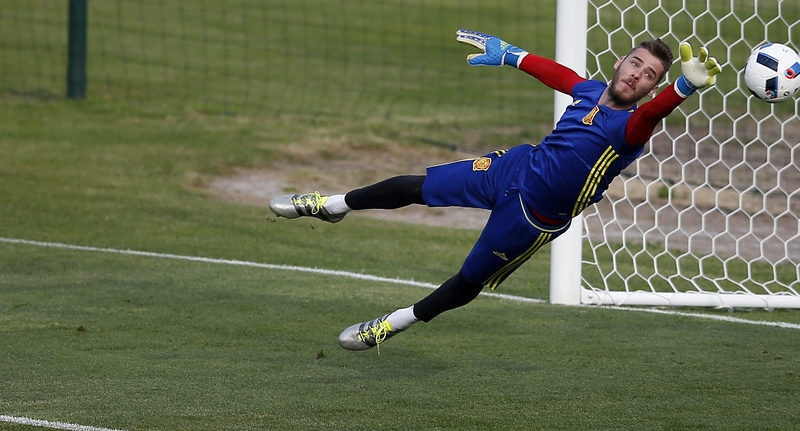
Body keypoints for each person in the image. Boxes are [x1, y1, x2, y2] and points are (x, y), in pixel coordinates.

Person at [270, 29, 721, 351]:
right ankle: (332, 204)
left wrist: (682, 88)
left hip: (533, 219)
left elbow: (651, 116)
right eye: (635, 63)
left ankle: (391, 324)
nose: (636, 75)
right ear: (620, 60)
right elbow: (558, 75)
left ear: (652, 87)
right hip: (512, 169)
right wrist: (510, 54)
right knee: (416, 185)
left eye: (649, 75)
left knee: (468, 281)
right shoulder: (590, 90)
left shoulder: (631, 128)